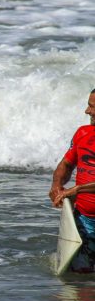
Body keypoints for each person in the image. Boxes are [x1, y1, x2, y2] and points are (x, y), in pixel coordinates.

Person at [49, 88, 95, 272]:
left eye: (92, 107)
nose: (87, 111)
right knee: (78, 278)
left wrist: (76, 190)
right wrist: (57, 185)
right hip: (83, 221)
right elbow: (66, 165)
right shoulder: (83, 134)